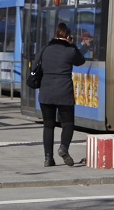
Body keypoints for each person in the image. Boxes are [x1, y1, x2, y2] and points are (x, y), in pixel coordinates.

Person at [36, 22, 86, 167]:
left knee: (48, 125)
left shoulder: (45, 49)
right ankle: (63, 147)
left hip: (46, 92)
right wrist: (73, 45)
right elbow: (80, 61)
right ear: (68, 36)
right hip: (64, 91)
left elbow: (35, 66)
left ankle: (48, 158)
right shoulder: (70, 50)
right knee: (68, 124)